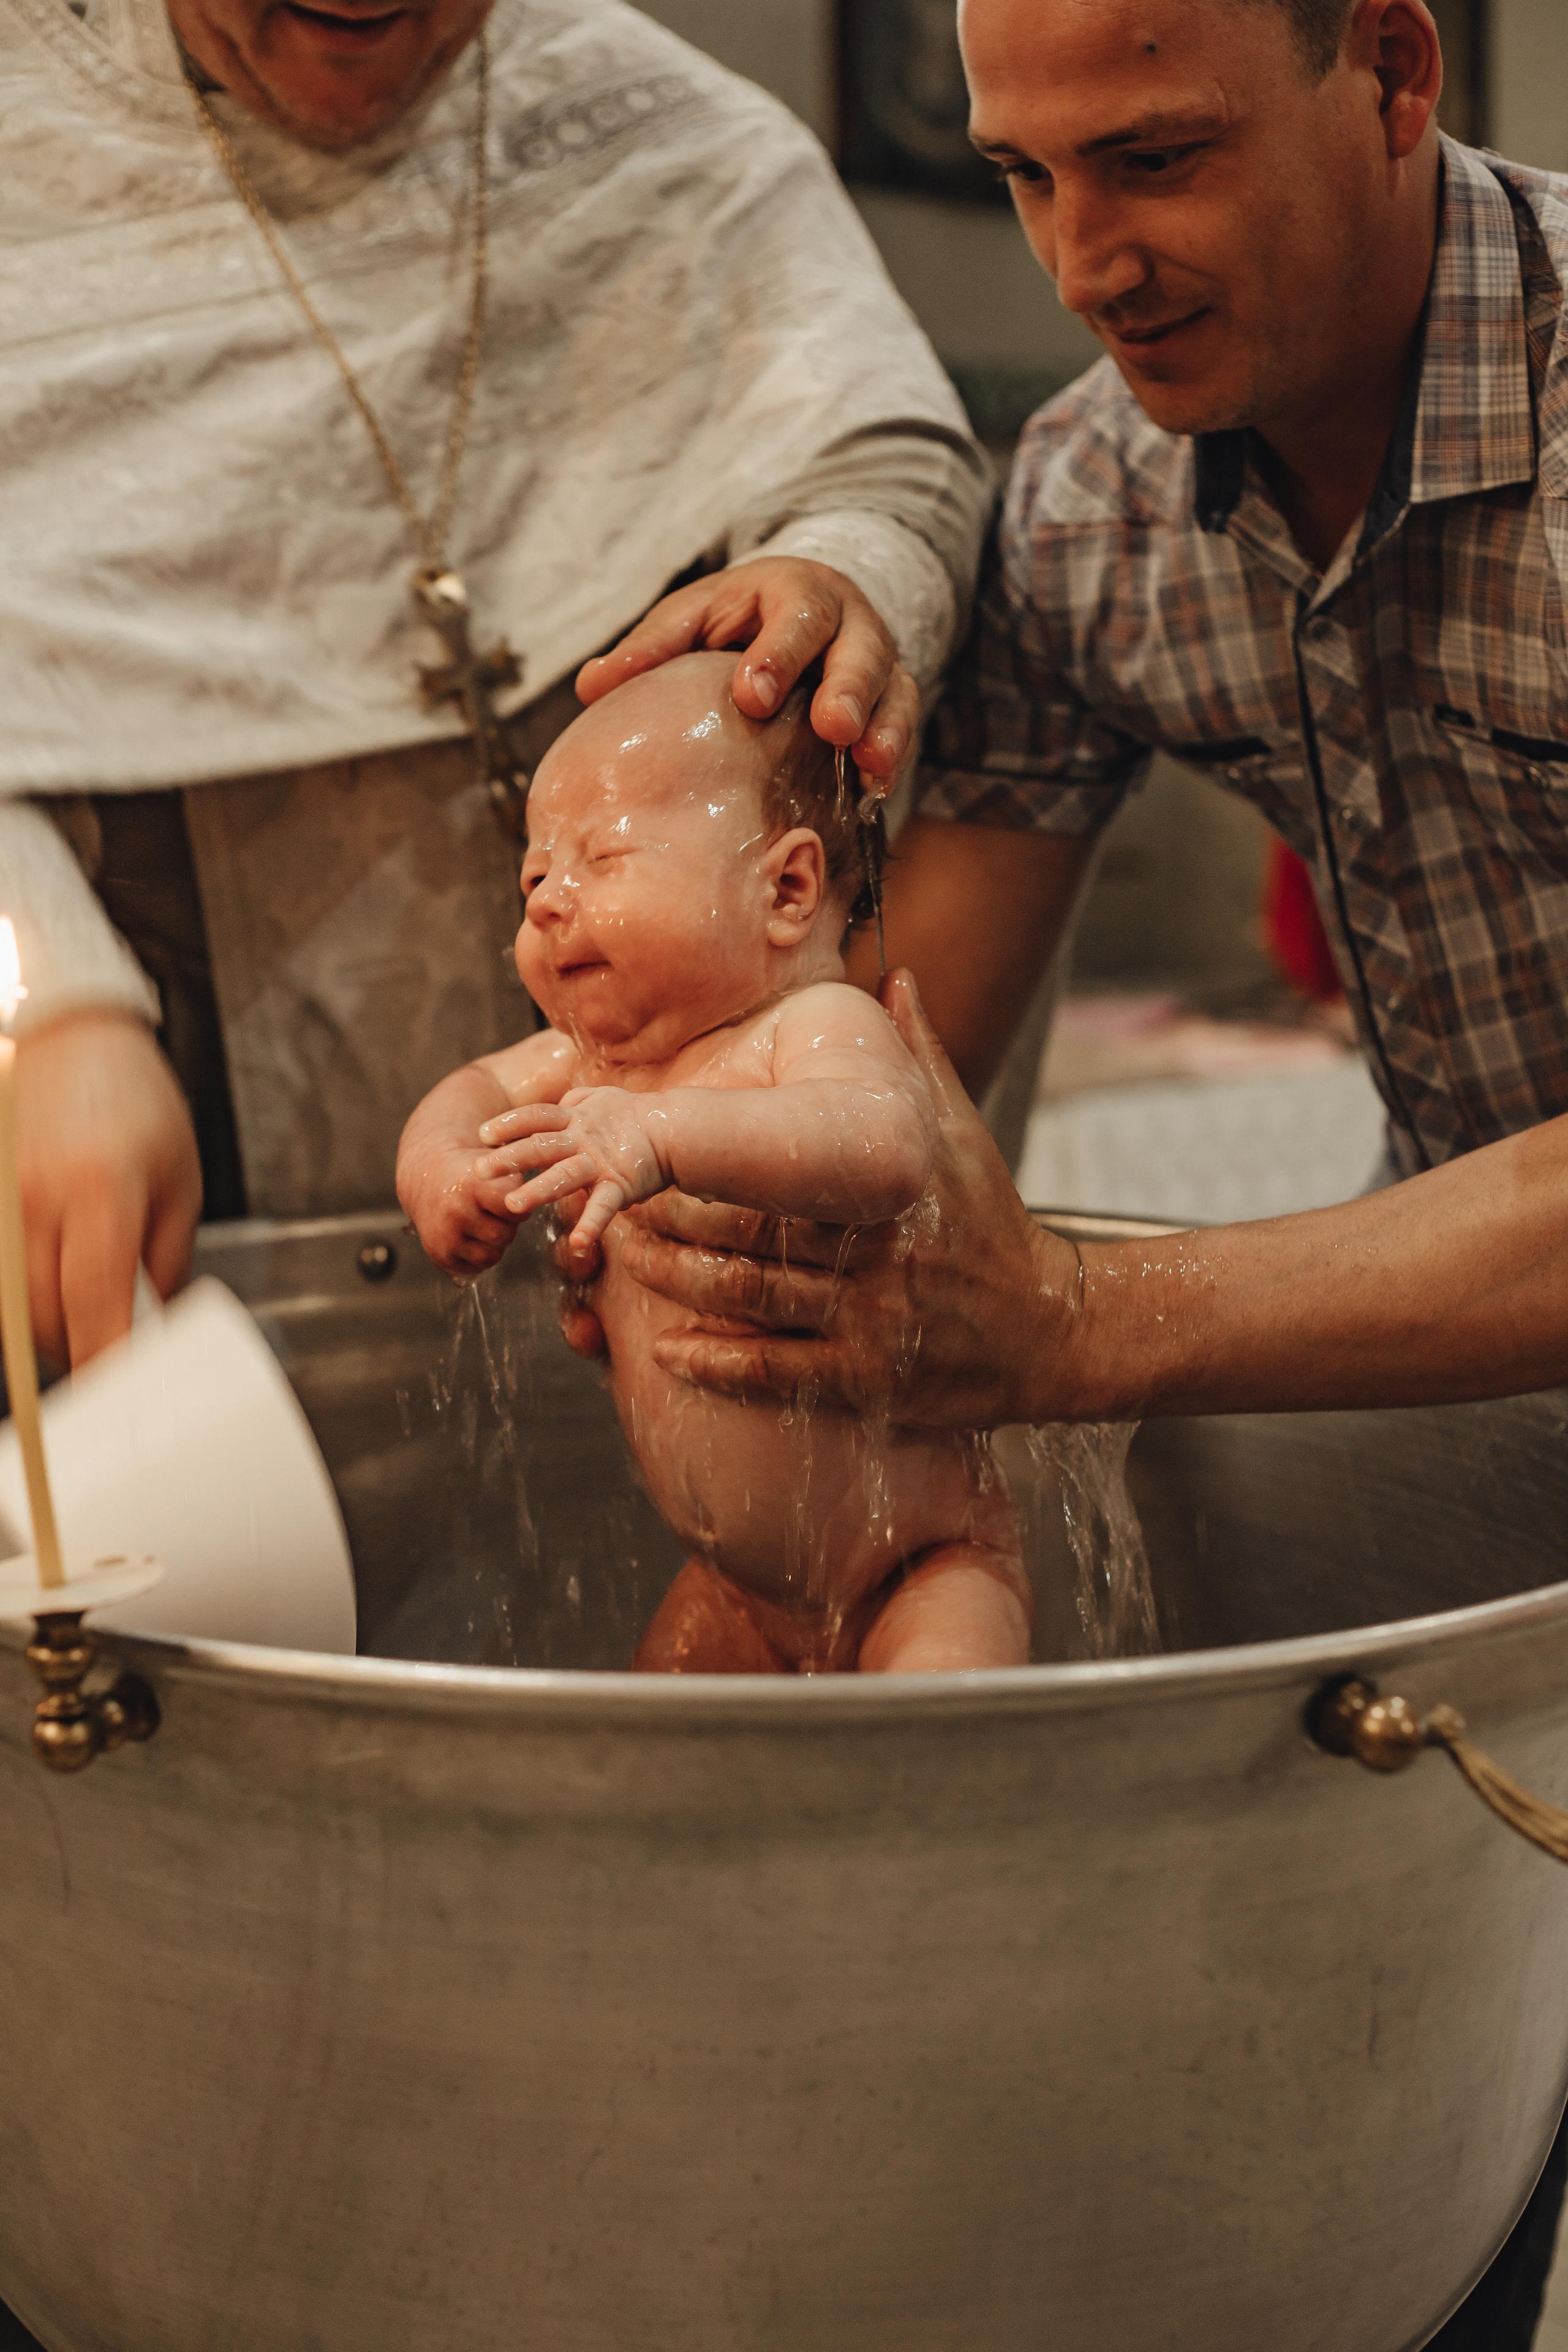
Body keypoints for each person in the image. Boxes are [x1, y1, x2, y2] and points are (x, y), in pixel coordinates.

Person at [562, 0, 1568, 2340]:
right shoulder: (1100, 512)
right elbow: (901, 1048)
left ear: (1400, 76)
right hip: (1503, 1346)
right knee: (1458, 2102)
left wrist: (1088, 1325)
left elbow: (1046, 1303)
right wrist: (670, 1079)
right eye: (1026, 178)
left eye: (1159, 155)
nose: (1085, 257)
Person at [0, 0, 990, 1369]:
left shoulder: (640, 118)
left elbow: (883, 456)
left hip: (674, 1150)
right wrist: (51, 1002)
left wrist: (839, 571)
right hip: (130, 1097)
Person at [396, 652, 1031, 1673]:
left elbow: (882, 1141)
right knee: (660, 1793)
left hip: (918, 1566)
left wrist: (659, 1136)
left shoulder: (810, 1025)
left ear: (786, 888)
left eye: (600, 860)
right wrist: (441, 1169)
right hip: (739, 1589)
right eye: (534, 877)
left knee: (929, 1765)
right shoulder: (587, 1064)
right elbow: (466, 1094)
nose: (550, 901)